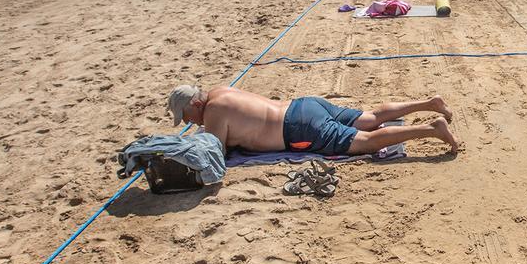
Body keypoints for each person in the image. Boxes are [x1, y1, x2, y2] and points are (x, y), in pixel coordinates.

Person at [168, 86, 458, 156]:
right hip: (305, 105)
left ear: (196, 103)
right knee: (370, 117)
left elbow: (215, 152)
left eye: (187, 116)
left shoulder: (213, 112)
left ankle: (432, 129)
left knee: (366, 143)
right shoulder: (220, 92)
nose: (190, 122)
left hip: (297, 129)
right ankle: (429, 103)